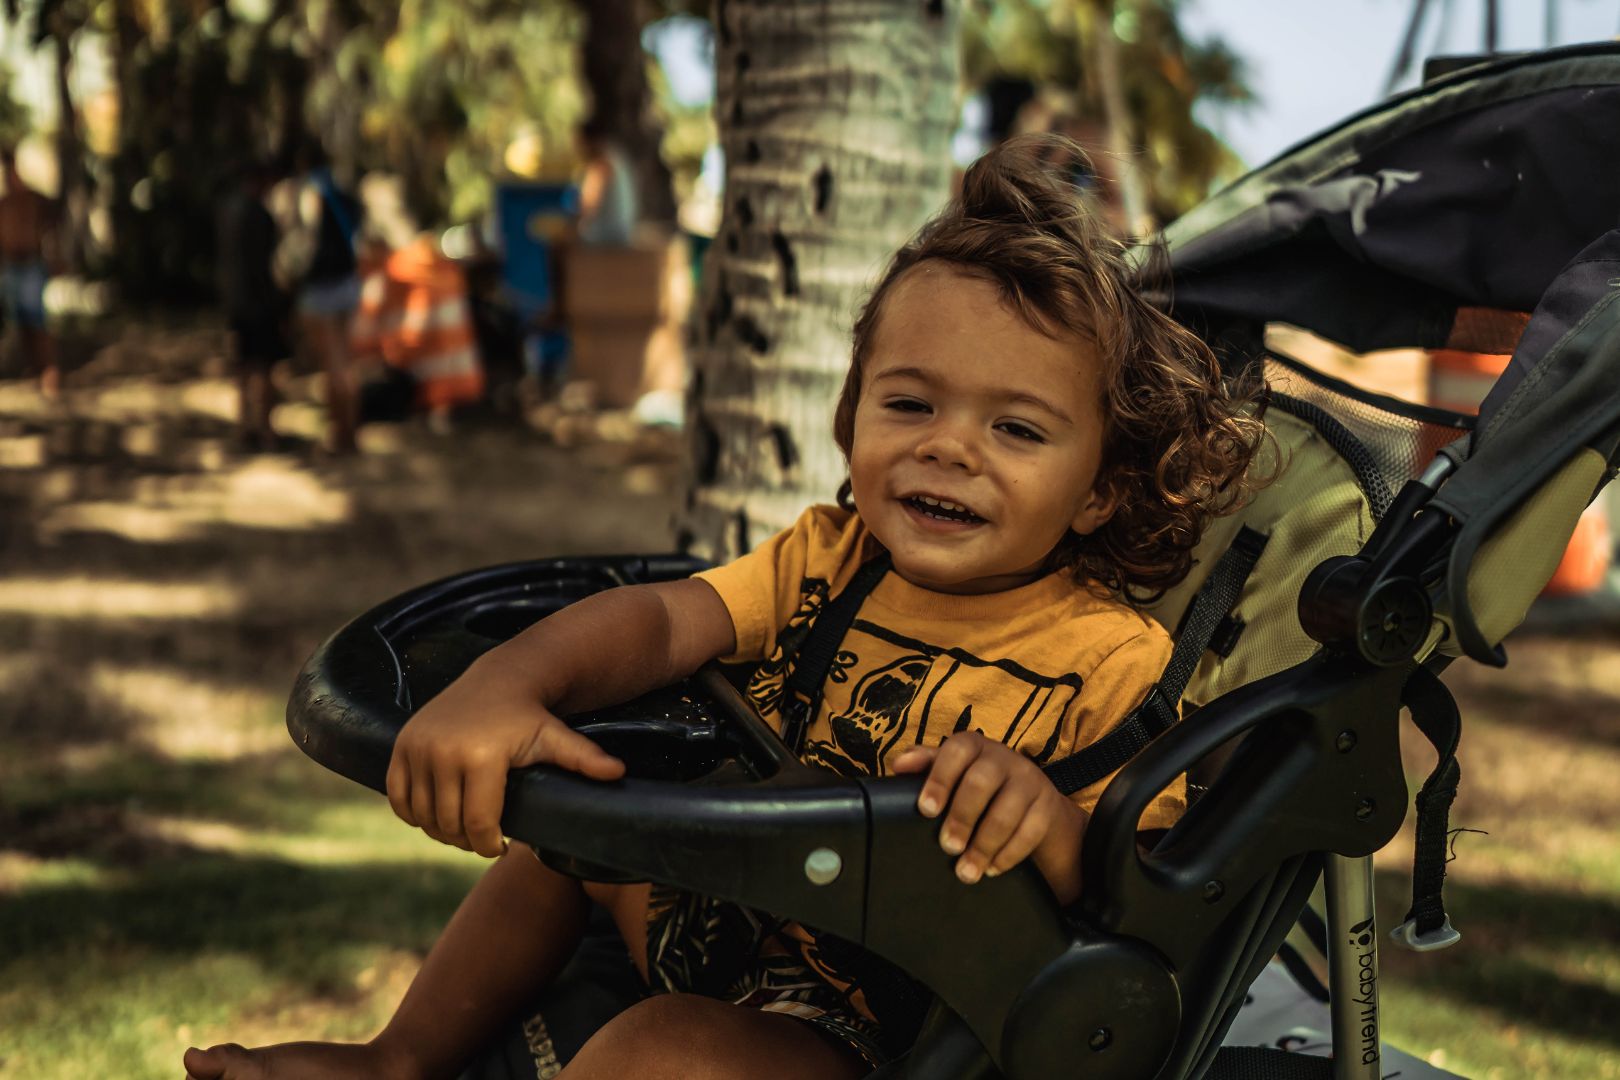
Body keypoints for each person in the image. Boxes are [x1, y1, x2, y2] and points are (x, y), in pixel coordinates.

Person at [182, 134, 1266, 1080]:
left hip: (888, 1026)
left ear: (1101, 490)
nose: (948, 445)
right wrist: (510, 683)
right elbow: (660, 621)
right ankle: (399, 1057)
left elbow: (1143, 912)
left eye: (1017, 430)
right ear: (853, 418)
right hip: (732, 920)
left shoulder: (1113, 659)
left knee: (669, 1053)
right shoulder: (830, 558)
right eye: (910, 403)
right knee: (572, 813)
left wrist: (1049, 825)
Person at [216, 159, 290, 452]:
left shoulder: (226, 211)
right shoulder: (261, 216)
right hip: (260, 304)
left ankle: (245, 426)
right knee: (262, 368)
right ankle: (265, 430)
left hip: (237, 303)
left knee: (244, 367)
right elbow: (268, 267)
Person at [0, 147, 60, 395]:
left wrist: (55, 254)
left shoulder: (35, 199)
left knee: (36, 321)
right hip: (11, 266)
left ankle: (48, 371)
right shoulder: (4, 203)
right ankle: (35, 368)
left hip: (31, 265)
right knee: (22, 322)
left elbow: (52, 228)